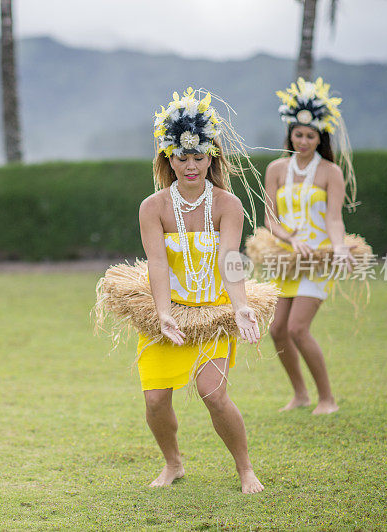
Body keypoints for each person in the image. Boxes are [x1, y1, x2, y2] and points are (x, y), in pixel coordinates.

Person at [96, 89, 277, 493]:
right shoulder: (153, 207)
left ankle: (246, 469)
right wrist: (162, 313)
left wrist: (242, 305)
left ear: (211, 157)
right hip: (170, 313)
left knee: (213, 393)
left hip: (211, 313)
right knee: (156, 400)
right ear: (168, 159)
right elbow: (157, 264)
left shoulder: (227, 205)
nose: (191, 166)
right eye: (182, 157)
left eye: (199, 157)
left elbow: (231, 258)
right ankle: (173, 464)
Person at [257, 77, 358, 415]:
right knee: (277, 330)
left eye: (310, 136)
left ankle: (327, 398)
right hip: (286, 258)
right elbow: (270, 220)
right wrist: (289, 239)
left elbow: (333, 220)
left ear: (320, 138)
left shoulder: (331, 172)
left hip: (317, 259)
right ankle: (300, 394)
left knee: (298, 328)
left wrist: (340, 247)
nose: (302, 141)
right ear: (290, 135)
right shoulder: (275, 169)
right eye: (297, 135)